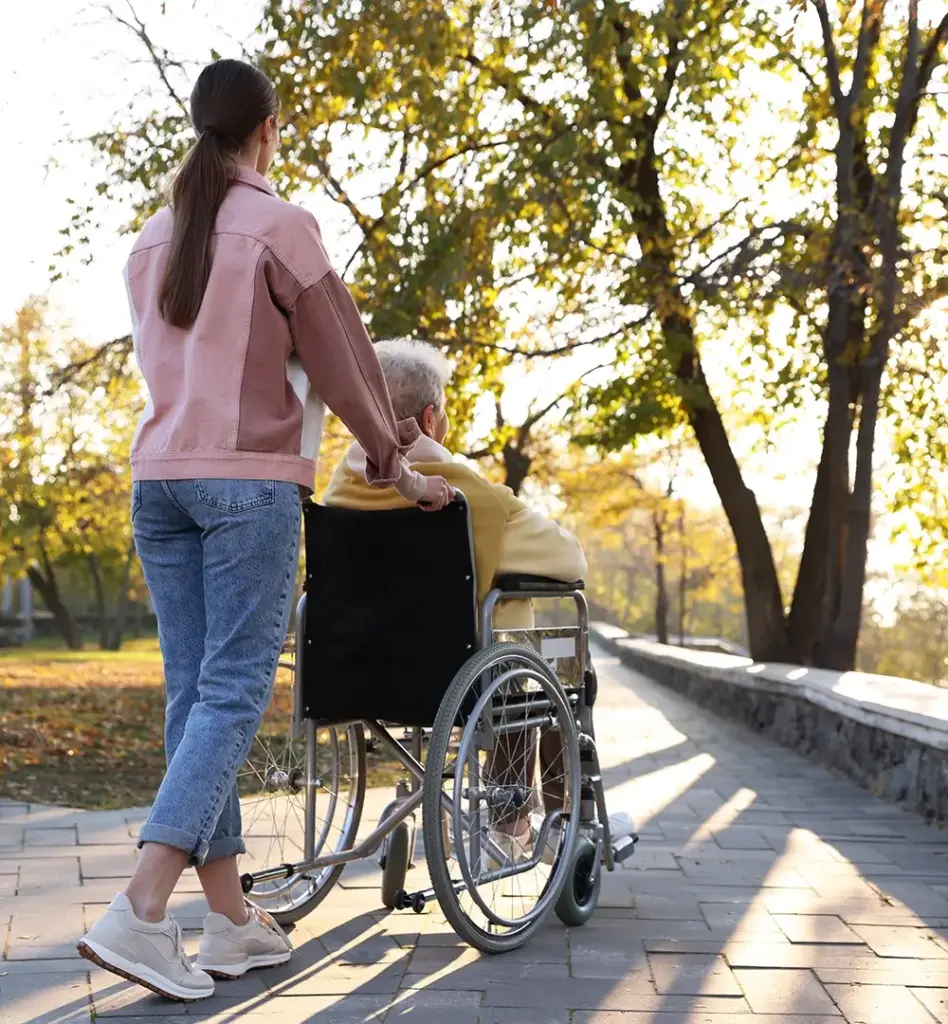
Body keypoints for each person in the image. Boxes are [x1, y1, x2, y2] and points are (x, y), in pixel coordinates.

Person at [76, 60, 453, 1003]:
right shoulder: (280, 227)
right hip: (245, 485)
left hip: (159, 481)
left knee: (194, 694)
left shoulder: (150, 239)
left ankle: (233, 923)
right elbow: (344, 358)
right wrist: (391, 463)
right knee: (233, 691)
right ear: (268, 129)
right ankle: (139, 911)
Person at [323, 338, 587, 860]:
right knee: (539, 661)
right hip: (456, 675)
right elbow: (570, 562)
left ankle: (437, 812)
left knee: (506, 650)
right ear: (429, 418)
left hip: (354, 671)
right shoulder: (469, 491)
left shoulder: (336, 493)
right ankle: (515, 823)